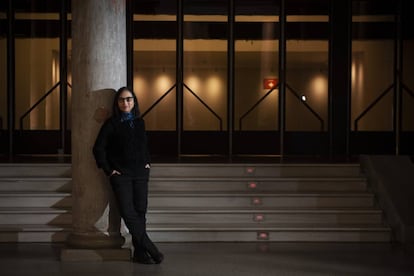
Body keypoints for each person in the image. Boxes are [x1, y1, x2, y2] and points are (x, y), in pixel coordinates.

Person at [93, 86, 164, 264]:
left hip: (140, 173)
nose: (126, 103)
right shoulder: (112, 123)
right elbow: (98, 148)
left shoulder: (140, 122)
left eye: (129, 99)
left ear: (134, 102)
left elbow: (144, 145)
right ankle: (149, 246)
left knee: (140, 212)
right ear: (117, 103)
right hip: (121, 175)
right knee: (128, 212)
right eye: (122, 100)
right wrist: (109, 170)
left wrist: (148, 163)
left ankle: (140, 253)